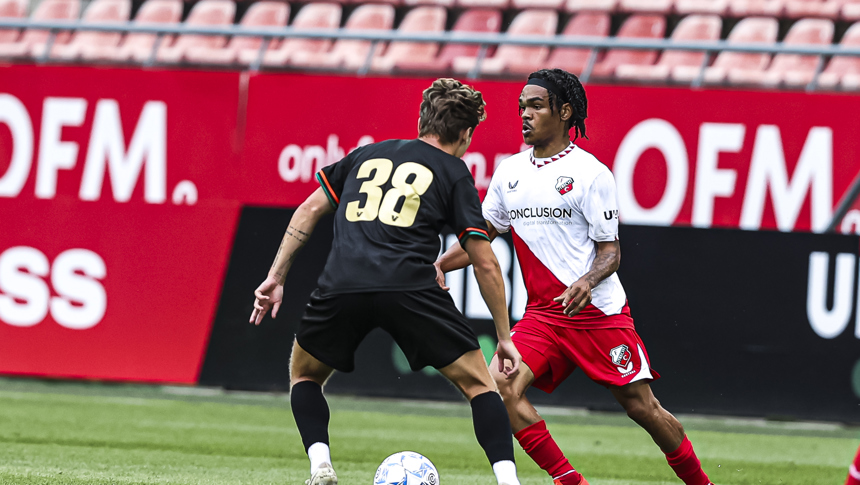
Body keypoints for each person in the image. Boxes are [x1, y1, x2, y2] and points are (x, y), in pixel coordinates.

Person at [434, 68, 714, 485]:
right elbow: (482, 237)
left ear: (564, 111)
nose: (525, 115)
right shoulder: (509, 174)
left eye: (535, 105)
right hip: (544, 317)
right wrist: (440, 264)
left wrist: (588, 279)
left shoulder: (591, 174)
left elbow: (610, 252)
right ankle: (569, 480)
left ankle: (701, 483)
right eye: (521, 107)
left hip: (597, 313)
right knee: (499, 389)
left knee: (642, 407)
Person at [249, 78, 524, 485]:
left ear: (421, 120)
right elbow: (485, 262)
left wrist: (275, 276)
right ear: (465, 135)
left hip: (343, 282)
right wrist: (503, 335)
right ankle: (508, 482)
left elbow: (308, 210)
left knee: (305, 376)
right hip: (410, 286)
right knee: (480, 385)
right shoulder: (453, 170)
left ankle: (320, 466)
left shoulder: (366, 154)